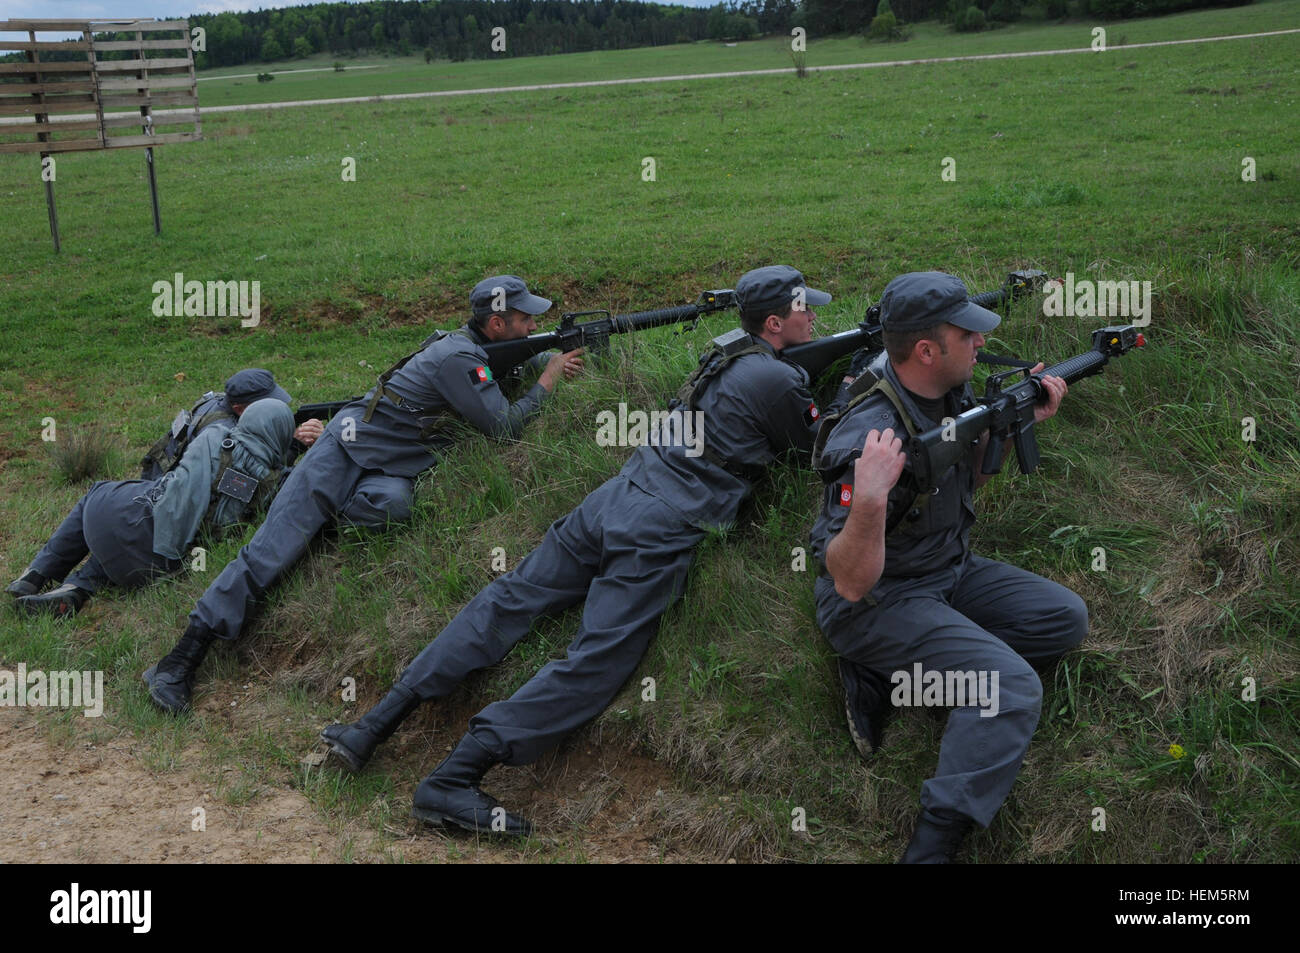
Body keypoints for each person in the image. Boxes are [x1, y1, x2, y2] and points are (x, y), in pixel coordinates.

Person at [320, 264, 829, 837]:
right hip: (661, 526)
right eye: (807, 308)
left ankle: (370, 728)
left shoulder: (725, 351)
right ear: (775, 321)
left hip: (613, 498)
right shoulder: (778, 380)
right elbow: (815, 450)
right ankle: (454, 778)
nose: (816, 315)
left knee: (506, 600)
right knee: (595, 662)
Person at [142, 275, 584, 715]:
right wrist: (547, 379)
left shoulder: (477, 349)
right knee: (269, 553)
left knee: (391, 506)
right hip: (347, 447)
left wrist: (552, 353)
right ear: (496, 325)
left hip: (388, 465)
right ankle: (180, 660)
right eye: (525, 319)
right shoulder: (457, 358)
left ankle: (317, 515)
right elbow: (504, 428)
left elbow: (505, 364)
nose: (531, 325)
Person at [808, 271, 1088, 863]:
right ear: (927, 350)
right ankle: (935, 841)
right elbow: (849, 579)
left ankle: (895, 677)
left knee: (1064, 619)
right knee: (1010, 686)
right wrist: (872, 499)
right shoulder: (868, 434)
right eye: (969, 335)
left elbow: (968, 479)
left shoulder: (950, 394)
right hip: (877, 600)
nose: (982, 343)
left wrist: (1015, 430)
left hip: (946, 571)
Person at [7, 399, 295, 618]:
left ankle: (37, 573)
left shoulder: (217, 435)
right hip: (163, 569)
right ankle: (74, 590)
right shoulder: (272, 488)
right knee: (127, 547)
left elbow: (168, 473)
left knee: (99, 494)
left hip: (127, 523)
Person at [139, 368, 308, 480]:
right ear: (239, 409)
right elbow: (259, 478)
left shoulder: (215, 400)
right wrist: (294, 447)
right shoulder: (225, 435)